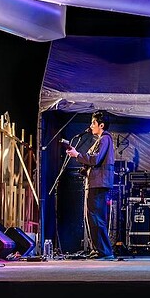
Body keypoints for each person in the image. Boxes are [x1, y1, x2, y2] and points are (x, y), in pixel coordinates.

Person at [64, 111, 117, 260]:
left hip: (98, 183)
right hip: (95, 182)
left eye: (93, 123)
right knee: (93, 217)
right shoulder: (100, 140)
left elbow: (95, 159)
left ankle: (104, 251)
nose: (91, 125)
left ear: (101, 125)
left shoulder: (105, 139)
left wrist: (77, 155)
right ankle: (98, 249)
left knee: (96, 218)